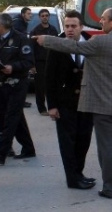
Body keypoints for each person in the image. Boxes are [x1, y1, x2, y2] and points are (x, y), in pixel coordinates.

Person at [34, 8, 112, 199]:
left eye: (103, 19)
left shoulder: (98, 42)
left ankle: (110, 188)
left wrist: (46, 40)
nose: (100, 22)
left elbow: (74, 48)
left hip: (102, 106)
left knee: (106, 149)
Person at [45, 10, 95, 189]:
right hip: (65, 102)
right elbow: (49, 78)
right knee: (68, 142)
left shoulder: (91, 43)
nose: (70, 29)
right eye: (67, 26)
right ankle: (72, 180)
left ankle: (79, 173)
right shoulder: (57, 45)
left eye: (74, 26)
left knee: (84, 139)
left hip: (87, 102)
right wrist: (51, 105)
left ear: (81, 27)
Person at [0, 13, 36, 165]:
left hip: (17, 83)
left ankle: (1, 152)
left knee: (11, 117)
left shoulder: (20, 39)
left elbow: (28, 62)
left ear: (3, 25)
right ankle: (28, 148)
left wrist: (13, 67)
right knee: (12, 116)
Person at [29, 9, 58, 116]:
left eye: (46, 15)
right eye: (42, 16)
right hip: (40, 63)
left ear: (49, 17)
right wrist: (32, 64)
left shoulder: (53, 30)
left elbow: (57, 45)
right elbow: (31, 49)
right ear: (39, 17)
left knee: (53, 85)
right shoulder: (35, 31)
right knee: (40, 87)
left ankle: (54, 106)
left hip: (52, 61)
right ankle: (41, 108)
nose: (45, 17)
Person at [12, 7, 33, 109]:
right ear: (23, 14)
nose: (30, 15)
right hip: (17, 55)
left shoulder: (21, 22)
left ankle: (21, 100)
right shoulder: (17, 23)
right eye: (28, 13)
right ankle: (19, 101)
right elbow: (19, 37)